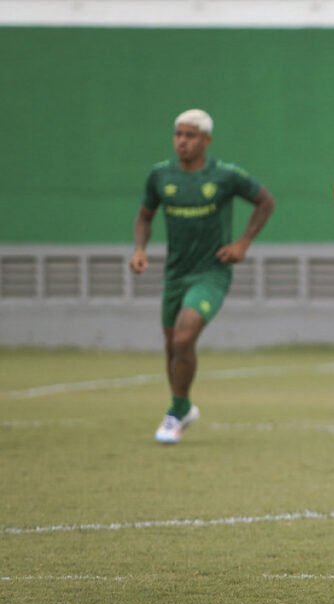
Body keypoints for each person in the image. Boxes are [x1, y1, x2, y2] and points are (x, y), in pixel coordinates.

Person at [130, 109, 276, 444]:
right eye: (178, 134)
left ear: (206, 140)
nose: (182, 141)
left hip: (211, 273)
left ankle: (174, 414)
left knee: (183, 338)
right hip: (175, 274)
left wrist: (242, 243)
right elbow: (144, 216)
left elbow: (265, 201)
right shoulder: (160, 176)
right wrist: (140, 249)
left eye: (190, 135)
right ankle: (180, 407)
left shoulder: (225, 176)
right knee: (172, 347)